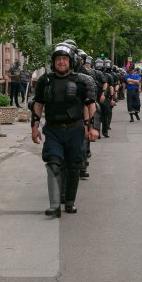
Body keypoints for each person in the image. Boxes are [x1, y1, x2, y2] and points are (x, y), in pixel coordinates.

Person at [31, 42, 98, 217]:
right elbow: (38, 104)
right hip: (52, 130)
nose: (61, 62)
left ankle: (69, 201)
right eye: (58, 59)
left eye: (64, 59)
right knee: (53, 163)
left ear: (71, 61)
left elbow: (90, 105)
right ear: (53, 62)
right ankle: (54, 206)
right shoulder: (44, 81)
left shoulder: (83, 81)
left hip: (75, 130)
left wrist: (92, 127)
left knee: (73, 166)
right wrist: (34, 127)